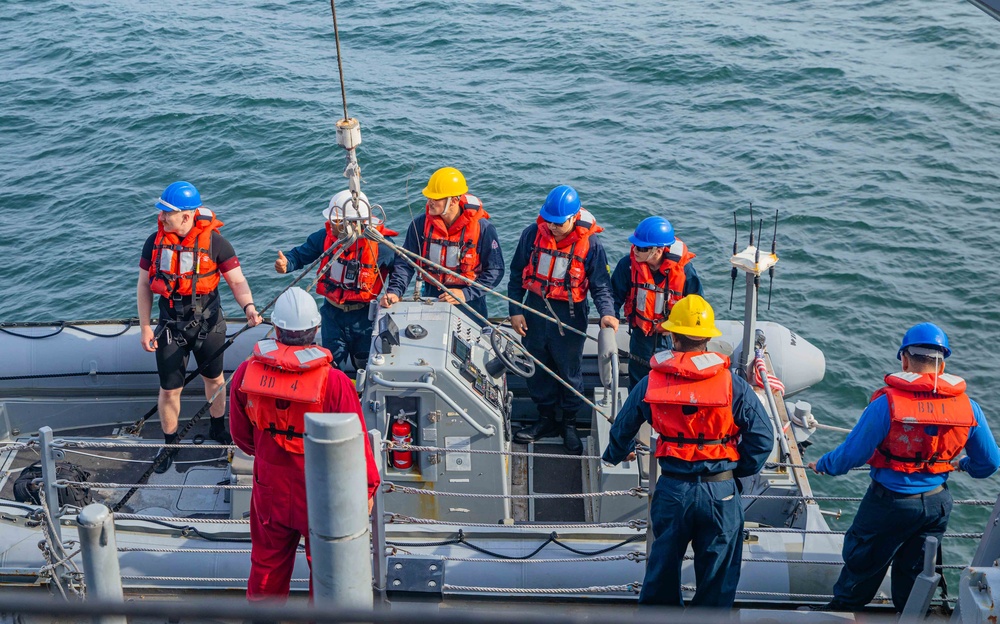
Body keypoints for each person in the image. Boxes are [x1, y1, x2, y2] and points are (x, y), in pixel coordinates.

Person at [808, 322, 999, 612]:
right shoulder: (969, 408)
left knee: (861, 566)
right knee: (915, 576)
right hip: (937, 504)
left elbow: (852, 454)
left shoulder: (888, 404)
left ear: (905, 360)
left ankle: (842, 613)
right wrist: (964, 465)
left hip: (889, 504)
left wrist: (823, 465)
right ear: (942, 365)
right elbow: (990, 463)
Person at [603, 295, 773, 607]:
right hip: (721, 492)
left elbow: (622, 428)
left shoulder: (652, 382)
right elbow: (763, 438)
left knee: (661, 575)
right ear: (708, 339)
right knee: (717, 581)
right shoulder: (732, 385)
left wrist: (617, 453)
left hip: (672, 490)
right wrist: (734, 470)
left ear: (672, 336)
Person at [229, 287, 381, 601]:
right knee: (328, 569)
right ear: (315, 330)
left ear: (276, 329)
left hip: (270, 485)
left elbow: (241, 437)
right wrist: (368, 488)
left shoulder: (246, 373)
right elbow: (356, 445)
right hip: (321, 490)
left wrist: (271, 451)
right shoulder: (335, 381)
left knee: (267, 565)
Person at [137, 181, 263, 473]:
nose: (162, 217)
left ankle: (218, 427)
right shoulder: (154, 242)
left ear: (186, 215)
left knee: (215, 380)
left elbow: (237, 281)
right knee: (169, 390)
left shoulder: (217, 243)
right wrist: (145, 327)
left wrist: (249, 308)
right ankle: (169, 444)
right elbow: (144, 285)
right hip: (170, 325)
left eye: (167, 212)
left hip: (209, 325)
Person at [508, 185, 619, 455]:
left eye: (559, 223)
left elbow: (601, 285)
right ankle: (545, 419)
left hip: (569, 316)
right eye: (549, 221)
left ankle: (568, 424)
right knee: (537, 367)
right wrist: (515, 310)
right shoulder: (532, 234)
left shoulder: (591, 244)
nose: (553, 227)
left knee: (570, 372)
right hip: (534, 310)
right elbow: (515, 273)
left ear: (574, 217)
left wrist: (607, 313)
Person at [274, 190, 396, 370]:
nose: (330, 225)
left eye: (335, 222)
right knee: (330, 364)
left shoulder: (380, 246)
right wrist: (287, 264)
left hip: (364, 317)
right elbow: (300, 255)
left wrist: (394, 291)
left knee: (365, 365)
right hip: (332, 314)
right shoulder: (324, 238)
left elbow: (402, 267)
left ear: (352, 224)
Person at [380, 167, 504, 322]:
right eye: (429, 197)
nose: (430, 202)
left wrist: (466, 294)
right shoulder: (420, 225)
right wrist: (395, 291)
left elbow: (495, 271)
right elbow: (406, 262)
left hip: (471, 303)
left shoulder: (483, 228)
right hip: (433, 297)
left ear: (453, 200)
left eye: (436, 198)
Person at [611, 216, 703, 390]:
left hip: (672, 340)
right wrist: (610, 318)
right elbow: (614, 296)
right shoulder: (627, 266)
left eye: (641, 248)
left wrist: (678, 333)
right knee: (638, 385)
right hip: (641, 337)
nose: (635, 250)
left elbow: (696, 305)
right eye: (634, 245)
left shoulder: (685, 271)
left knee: (668, 384)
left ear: (658, 251)